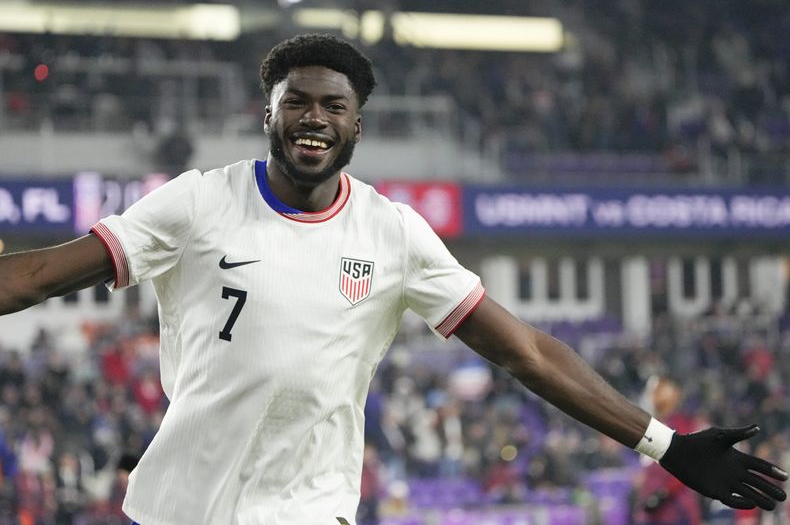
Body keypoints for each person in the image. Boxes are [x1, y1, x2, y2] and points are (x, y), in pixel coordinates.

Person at [0, 33, 786, 525]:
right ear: (267, 116)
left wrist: (664, 444)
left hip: (310, 509)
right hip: (178, 507)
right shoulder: (200, 201)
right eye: (296, 102)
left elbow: (525, 352)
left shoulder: (393, 234)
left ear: (356, 124)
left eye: (332, 106)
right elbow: (37, 275)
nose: (314, 116)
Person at [634, 375, 703, 525]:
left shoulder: (682, 425)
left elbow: (685, 468)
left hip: (676, 508)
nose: (652, 395)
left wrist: (662, 494)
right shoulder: (652, 425)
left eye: (657, 390)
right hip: (652, 509)